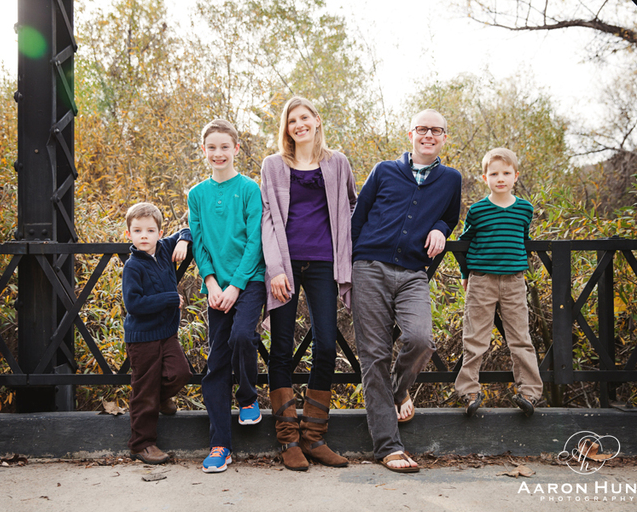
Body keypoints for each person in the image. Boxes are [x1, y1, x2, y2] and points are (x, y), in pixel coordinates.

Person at [351, 109, 462, 473]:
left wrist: (442, 229)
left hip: (413, 272)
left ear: (444, 138)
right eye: (422, 129)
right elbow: (359, 215)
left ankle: (398, 390)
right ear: (410, 134)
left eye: (436, 130)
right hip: (369, 268)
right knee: (374, 356)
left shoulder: (450, 179)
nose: (429, 135)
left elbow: (450, 215)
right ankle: (388, 446)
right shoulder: (384, 171)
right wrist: (348, 270)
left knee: (420, 339)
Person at [261, 96, 357, 471]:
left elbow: (351, 205)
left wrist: (348, 249)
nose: (299, 124)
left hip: (323, 264)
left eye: (305, 118)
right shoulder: (272, 165)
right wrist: (275, 269)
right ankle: (288, 441)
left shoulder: (338, 163)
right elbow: (268, 218)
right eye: (291, 120)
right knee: (281, 348)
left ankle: (314, 437)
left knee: (326, 345)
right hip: (284, 264)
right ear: (286, 128)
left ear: (317, 121)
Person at [188, 119, 267, 474]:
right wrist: (212, 283)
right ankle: (220, 444)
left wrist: (235, 285)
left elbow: (255, 242)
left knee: (242, 336)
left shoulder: (250, 189)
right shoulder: (196, 194)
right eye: (211, 147)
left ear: (237, 149)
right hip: (216, 288)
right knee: (216, 365)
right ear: (203, 151)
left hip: (249, 282)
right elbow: (199, 241)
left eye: (225, 147)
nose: (218, 153)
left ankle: (248, 397)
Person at [454, 147, 544, 418]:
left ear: (515, 176)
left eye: (506, 173)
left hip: (514, 281)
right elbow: (464, 244)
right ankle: (469, 391)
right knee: (475, 337)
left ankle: (529, 392)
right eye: (494, 174)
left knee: (520, 337)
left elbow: (522, 240)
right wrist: (465, 275)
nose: (500, 178)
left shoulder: (524, 209)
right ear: (485, 178)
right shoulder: (478, 210)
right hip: (482, 280)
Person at [122, 202, 192, 465]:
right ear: (128, 234)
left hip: (167, 334)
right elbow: (134, 305)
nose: (144, 236)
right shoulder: (133, 267)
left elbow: (187, 230)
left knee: (181, 373)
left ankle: (162, 397)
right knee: (144, 390)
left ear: (159, 234)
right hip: (142, 338)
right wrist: (169, 299)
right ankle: (142, 444)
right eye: (137, 230)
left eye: (150, 231)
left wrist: (183, 241)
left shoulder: (164, 250)